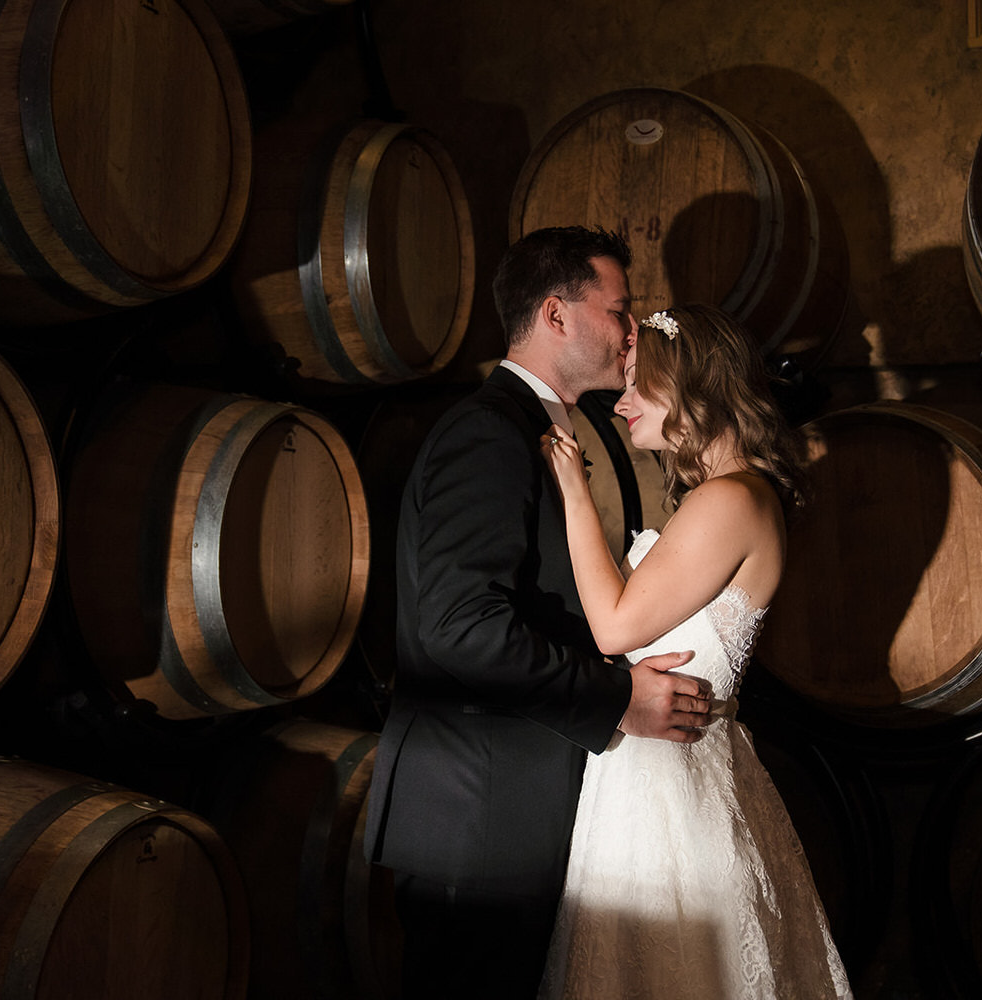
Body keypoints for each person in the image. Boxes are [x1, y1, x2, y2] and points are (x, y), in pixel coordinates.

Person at [363, 226, 714, 1000]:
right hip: (478, 821)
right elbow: (462, 627)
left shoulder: (532, 427)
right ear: (556, 314)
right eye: (620, 309)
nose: (632, 330)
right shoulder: (488, 432)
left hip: (509, 814)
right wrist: (619, 699)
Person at [536, 303, 852, 999]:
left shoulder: (731, 502)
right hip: (664, 771)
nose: (620, 404)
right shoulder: (731, 496)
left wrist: (572, 491)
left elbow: (615, 629)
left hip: (671, 785)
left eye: (637, 384)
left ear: (693, 389)